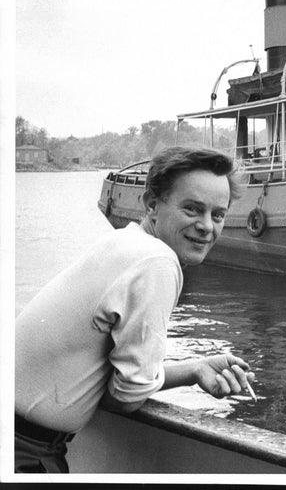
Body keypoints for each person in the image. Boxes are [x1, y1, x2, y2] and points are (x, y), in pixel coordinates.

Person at [15, 146, 255, 474]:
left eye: (218, 214)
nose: (206, 227)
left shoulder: (124, 242)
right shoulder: (157, 262)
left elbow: (122, 380)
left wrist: (195, 368)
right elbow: (125, 397)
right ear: (152, 204)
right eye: (192, 209)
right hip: (23, 450)